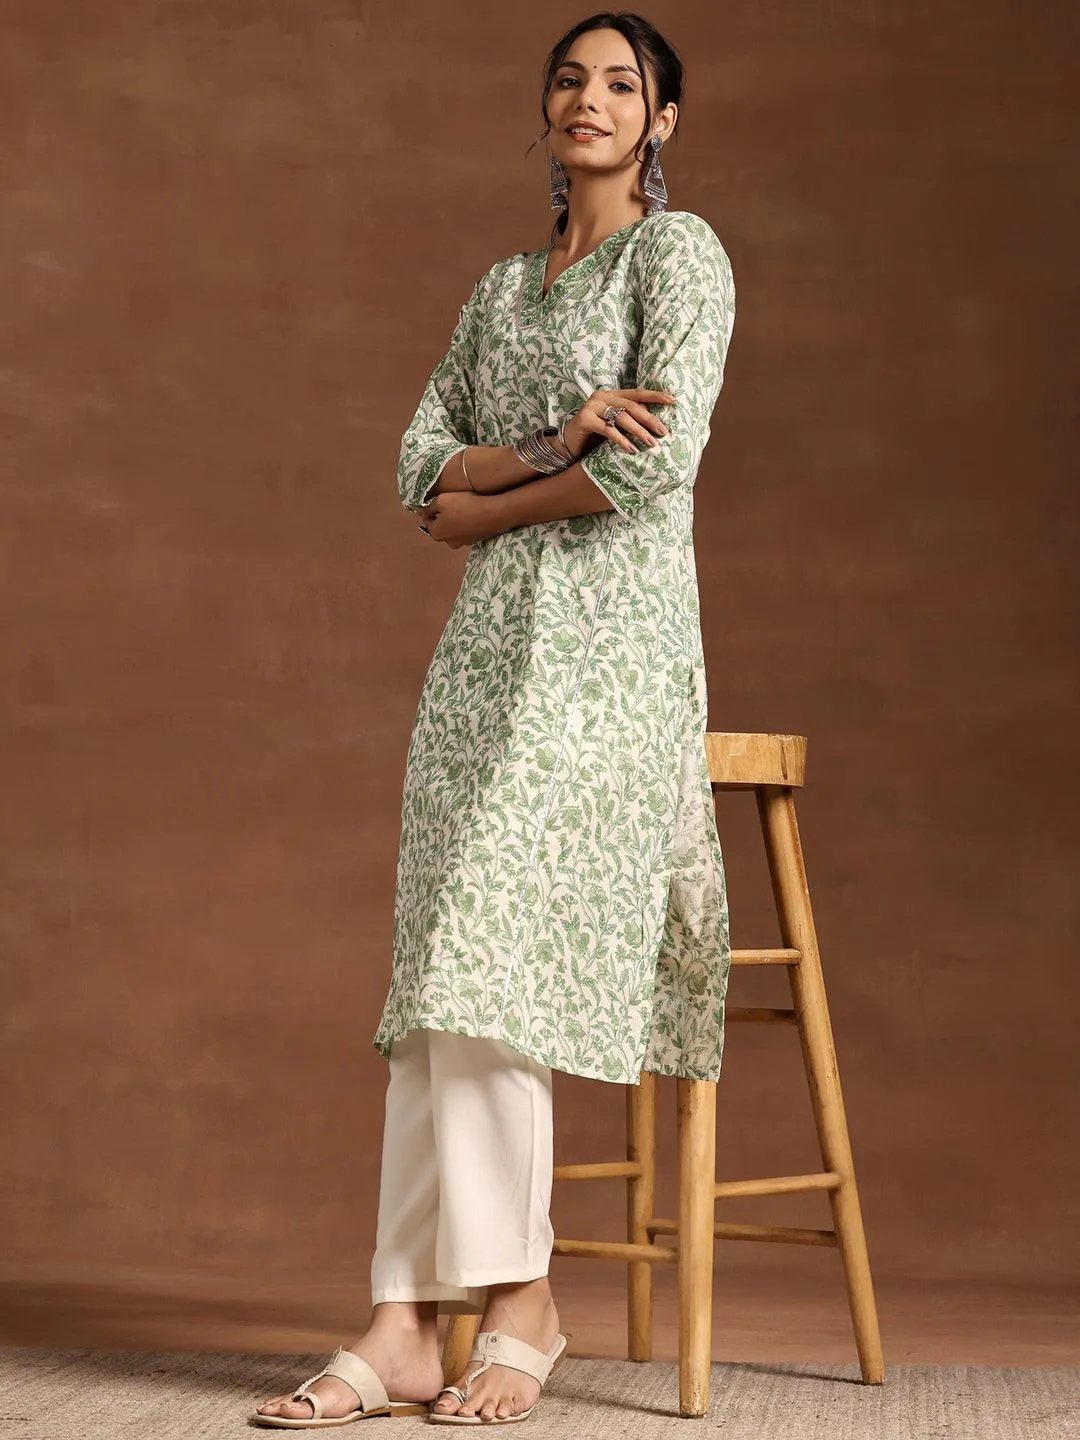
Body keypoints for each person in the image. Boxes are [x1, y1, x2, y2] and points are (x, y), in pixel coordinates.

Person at [252, 10, 735, 1429]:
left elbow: (654, 472)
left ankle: (517, 1299)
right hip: (482, 668)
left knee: (477, 950)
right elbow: (419, 478)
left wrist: (499, 497)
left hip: (608, 658)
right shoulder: (501, 291)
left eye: (623, 85)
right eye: (569, 79)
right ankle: (406, 1323)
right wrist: (555, 439)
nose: (591, 100)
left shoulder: (678, 258)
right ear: (545, 110)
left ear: (662, 121)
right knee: (434, 978)